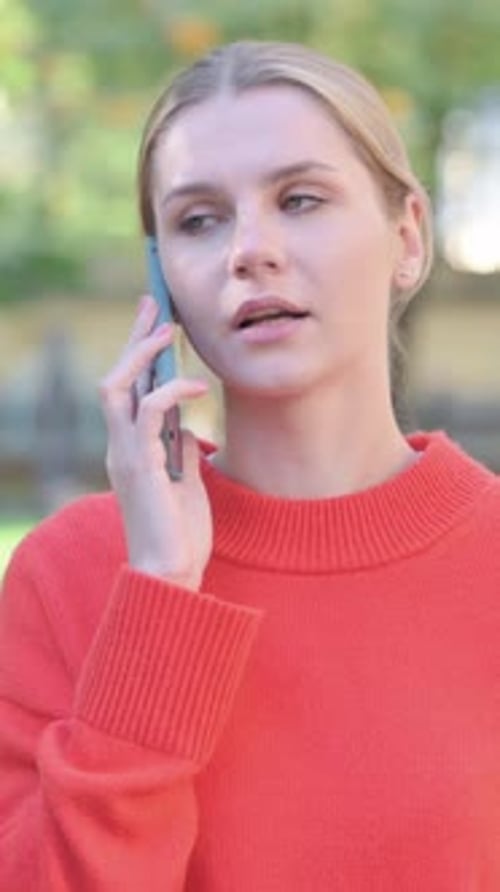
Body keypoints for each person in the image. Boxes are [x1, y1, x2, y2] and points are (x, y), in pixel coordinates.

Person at [1, 38, 499, 892]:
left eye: (300, 199)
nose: (249, 250)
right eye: (199, 220)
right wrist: (159, 592)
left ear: (408, 235)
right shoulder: (68, 573)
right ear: (161, 278)